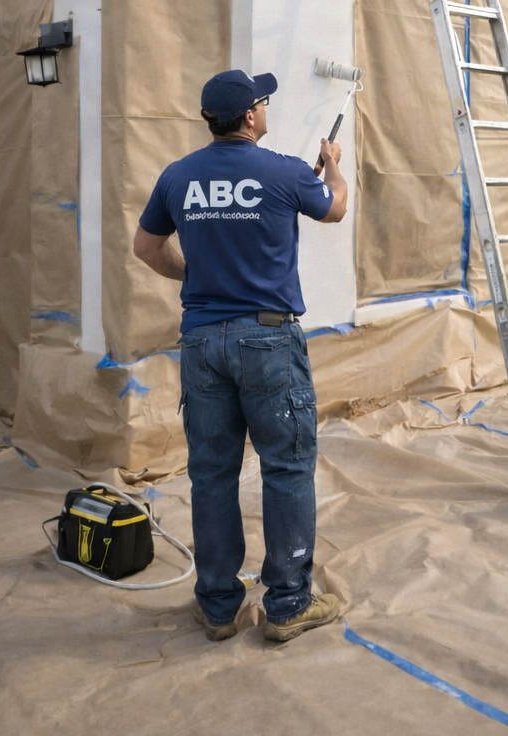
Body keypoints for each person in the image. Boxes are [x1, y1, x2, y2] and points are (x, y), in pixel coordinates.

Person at [133, 68, 348, 644]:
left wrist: (190, 274)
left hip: (203, 342)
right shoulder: (282, 171)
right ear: (250, 117)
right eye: (264, 100)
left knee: (211, 473)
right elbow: (335, 210)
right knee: (286, 467)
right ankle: (287, 606)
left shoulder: (178, 177)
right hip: (269, 342)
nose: (267, 106)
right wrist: (333, 168)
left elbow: (145, 247)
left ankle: (220, 606)